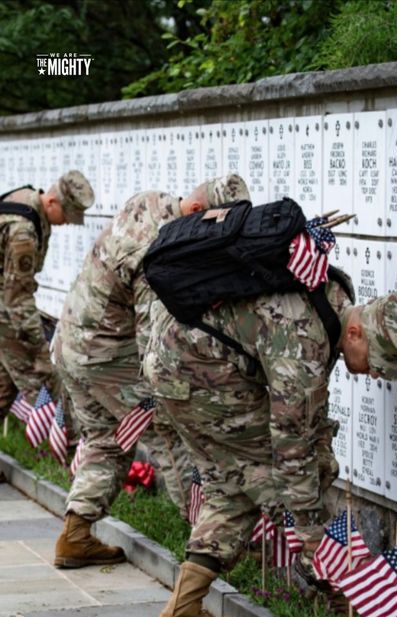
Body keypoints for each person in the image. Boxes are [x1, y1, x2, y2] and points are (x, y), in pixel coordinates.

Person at [143, 268, 397, 617]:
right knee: (272, 481)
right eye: (376, 361)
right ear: (356, 333)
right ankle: (335, 590)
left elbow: (310, 417)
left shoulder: (330, 302)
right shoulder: (306, 344)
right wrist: (312, 537)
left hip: (178, 363)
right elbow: (291, 449)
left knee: (232, 488)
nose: (376, 374)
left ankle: (181, 616)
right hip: (197, 374)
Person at [53, 174, 251, 569]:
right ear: (197, 212)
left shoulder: (151, 198)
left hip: (70, 342)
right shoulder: (158, 250)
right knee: (167, 431)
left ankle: (74, 537)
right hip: (107, 354)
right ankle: (205, 540)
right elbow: (152, 340)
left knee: (106, 440)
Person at [0, 172, 94, 419]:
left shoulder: (25, 199)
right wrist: (38, 346)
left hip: (6, 309)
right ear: (51, 202)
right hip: (6, 313)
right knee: (45, 390)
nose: (67, 222)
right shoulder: (23, 232)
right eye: (66, 215)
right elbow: (17, 299)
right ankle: (69, 443)